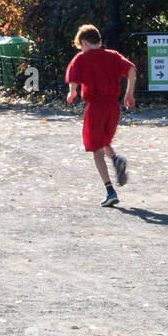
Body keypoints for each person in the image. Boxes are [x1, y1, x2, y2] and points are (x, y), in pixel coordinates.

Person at [65, 24, 136, 207]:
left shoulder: (81, 58)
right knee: (103, 140)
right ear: (100, 41)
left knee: (96, 152)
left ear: (83, 42)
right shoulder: (112, 56)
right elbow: (131, 71)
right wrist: (129, 94)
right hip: (113, 106)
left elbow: (73, 80)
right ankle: (116, 159)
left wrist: (72, 92)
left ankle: (110, 191)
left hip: (95, 107)